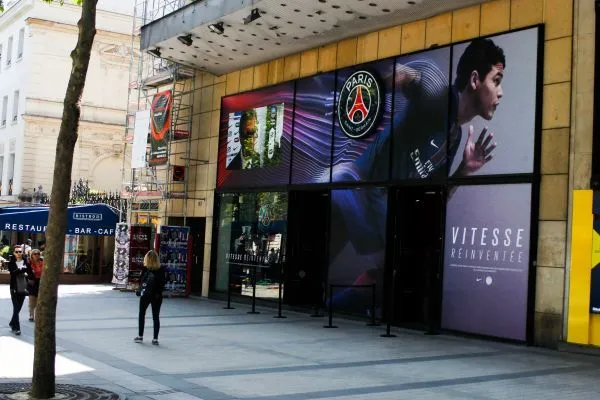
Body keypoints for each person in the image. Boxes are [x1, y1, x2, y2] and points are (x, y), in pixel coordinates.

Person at [134, 250, 166, 345]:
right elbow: (162, 284)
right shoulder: (161, 270)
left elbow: (141, 282)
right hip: (157, 296)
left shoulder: (145, 269)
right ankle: (155, 339)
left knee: (142, 314)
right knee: (156, 317)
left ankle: (140, 336)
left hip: (145, 295)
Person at [8, 245, 33, 335]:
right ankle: (17, 328)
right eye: (16, 252)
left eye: (20, 252)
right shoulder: (11, 263)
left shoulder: (26, 262)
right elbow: (13, 273)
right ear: (14, 253)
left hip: (23, 288)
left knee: (18, 308)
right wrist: (22, 270)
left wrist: (25, 272)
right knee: (16, 308)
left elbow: (30, 273)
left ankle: (11, 323)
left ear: (22, 253)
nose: (18, 253)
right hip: (14, 288)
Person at [28, 249, 43, 322]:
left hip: (40, 282)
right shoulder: (28, 263)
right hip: (31, 282)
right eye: (35, 254)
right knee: (31, 299)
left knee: (38, 299)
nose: (37, 255)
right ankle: (31, 314)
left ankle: (38, 314)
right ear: (31, 255)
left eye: (38, 254)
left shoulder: (42, 262)